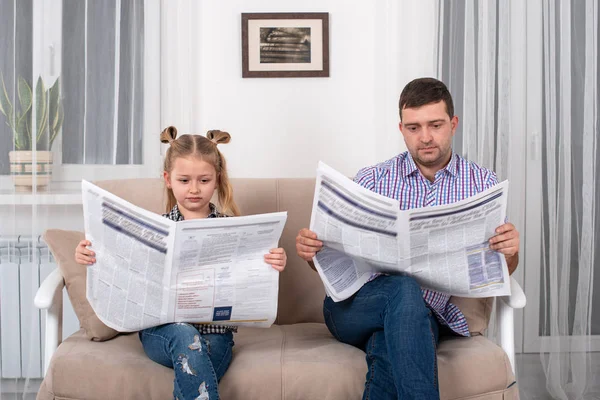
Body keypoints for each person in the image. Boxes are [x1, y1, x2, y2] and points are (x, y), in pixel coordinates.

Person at [295, 78, 520, 399]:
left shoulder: (481, 182)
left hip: (423, 315)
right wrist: (312, 253)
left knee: (391, 342)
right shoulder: (372, 179)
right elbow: (331, 267)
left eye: (435, 125)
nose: (425, 137)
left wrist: (510, 252)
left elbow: (501, 270)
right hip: (353, 309)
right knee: (403, 288)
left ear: (453, 124)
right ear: (401, 129)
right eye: (413, 128)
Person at [75, 126, 287, 400]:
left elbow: (250, 274)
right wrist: (90, 256)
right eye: (184, 180)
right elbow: (121, 266)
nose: (195, 189)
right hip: (163, 333)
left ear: (217, 179)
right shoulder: (155, 228)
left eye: (204, 180)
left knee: (196, 358)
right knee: (185, 337)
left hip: (215, 334)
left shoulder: (232, 228)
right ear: (168, 179)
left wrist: (271, 261)